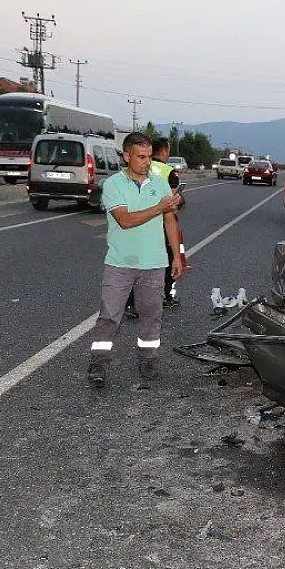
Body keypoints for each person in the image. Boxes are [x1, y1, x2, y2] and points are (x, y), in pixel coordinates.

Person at [85, 132, 183, 388]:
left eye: (149, 156)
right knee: (109, 316)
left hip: (154, 264)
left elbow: (170, 219)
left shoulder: (159, 183)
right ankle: (98, 363)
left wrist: (177, 256)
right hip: (119, 264)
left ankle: (148, 359)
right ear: (126, 156)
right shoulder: (113, 184)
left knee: (151, 316)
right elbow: (125, 220)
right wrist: (160, 207)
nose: (146, 162)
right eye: (141, 157)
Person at [125, 137, 186, 317]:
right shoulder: (169, 172)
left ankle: (129, 303)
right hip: (159, 221)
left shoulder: (131, 167)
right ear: (164, 152)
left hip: (135, 218)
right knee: (163, 260)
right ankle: (165, 296)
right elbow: (173, 202)